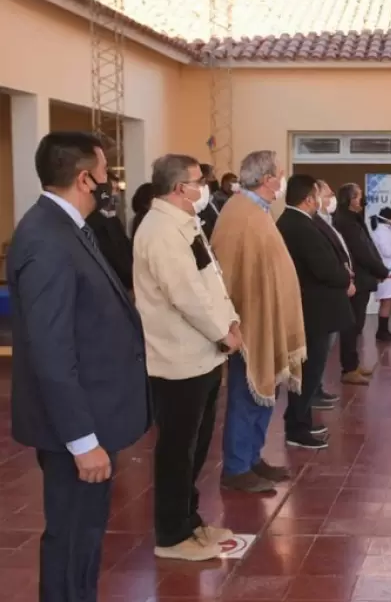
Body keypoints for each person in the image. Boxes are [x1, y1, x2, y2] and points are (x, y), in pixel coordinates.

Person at [6, 131, 150, 601]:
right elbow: (51, 351)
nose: (113, 183)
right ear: (86, 178)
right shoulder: (46, 238)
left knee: (85, 537)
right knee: (70, 539)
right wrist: (83, 441)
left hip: (91, 415)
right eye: (108, 173)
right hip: (74, 428)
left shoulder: (67, 227)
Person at [134, 154, 242, 561]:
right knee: (178, 449)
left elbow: (208, 281)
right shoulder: (160, 230)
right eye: (200, 181)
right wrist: (223, 333)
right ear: (180, 187)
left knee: (196, 447)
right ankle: (172, 533)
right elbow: (185, 296)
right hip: (179, 358)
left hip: (205, 354)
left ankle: (190, 519)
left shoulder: (184, 222)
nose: (205, 188)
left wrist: (230, 322)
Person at [210, 150, 306, 493]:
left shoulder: (258, 211)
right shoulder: (241, 214)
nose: (281, 179)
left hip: (267, 318)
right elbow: (228, 271)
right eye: (279, 173)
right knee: (246, 393)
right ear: (267, 180)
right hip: (250, 322)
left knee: (264, 394)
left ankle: (252, 457)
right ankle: (237, 466)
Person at [277, 175, 355, 449]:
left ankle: (302, 420)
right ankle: (297, 428)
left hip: (316, 308)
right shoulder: (297, 225)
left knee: (312, 371)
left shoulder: (300, 222)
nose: (323, 201)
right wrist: (345, 278)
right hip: (314, 310)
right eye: (319, 195)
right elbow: (323, 267)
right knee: (309, 372)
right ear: (308, 199)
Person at [332, 183, 389, 385]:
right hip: (356, 280)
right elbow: (361, 251)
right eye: (358, 197)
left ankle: (353, 364)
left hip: (363, 279)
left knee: (357, 325)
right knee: (352, 325)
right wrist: (380, 270)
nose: (361, 200)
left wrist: (378, 269)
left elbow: (368, 246)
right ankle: (349, 368)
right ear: (349, 200)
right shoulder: (346, 223)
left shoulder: (353, 220)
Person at [85, 170, 134, 293]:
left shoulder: (113, 220)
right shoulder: (93, 222)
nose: (116, 194)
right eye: (113, 189)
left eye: (117, 189)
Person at [370, 206, 391, 342]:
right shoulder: (381, 233)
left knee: (388, 301)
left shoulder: (385, 231)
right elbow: (388, 251)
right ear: (389, 219)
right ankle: (382, 331)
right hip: (386, 272)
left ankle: (383, 330)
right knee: (387, 301)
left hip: (389, 272)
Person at [198, 163, 220, 239]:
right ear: (204, 179)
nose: (215, 180)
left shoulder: (215, 199)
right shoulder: (200, 205)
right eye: (212, 177)